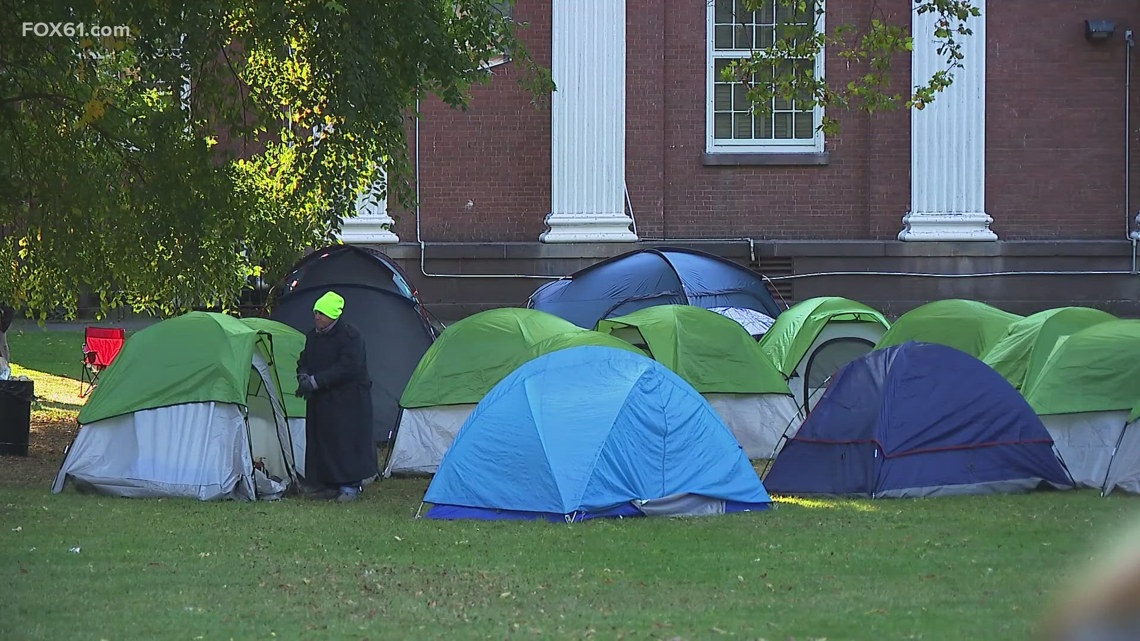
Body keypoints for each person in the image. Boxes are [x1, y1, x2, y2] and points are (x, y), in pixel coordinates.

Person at [295, 290, 377, 502]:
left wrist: (317, 381)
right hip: (321, 400)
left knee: (345, 442)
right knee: (323, 441)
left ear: (332, 315)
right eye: (315, 313)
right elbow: (305, 359)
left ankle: (350, 484)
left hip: (348, 400)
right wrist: (303, 374)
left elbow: (348, 366)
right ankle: (327, 483)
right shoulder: (313, 337)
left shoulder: (351, 336)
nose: (317, 317)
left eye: (321, 313)